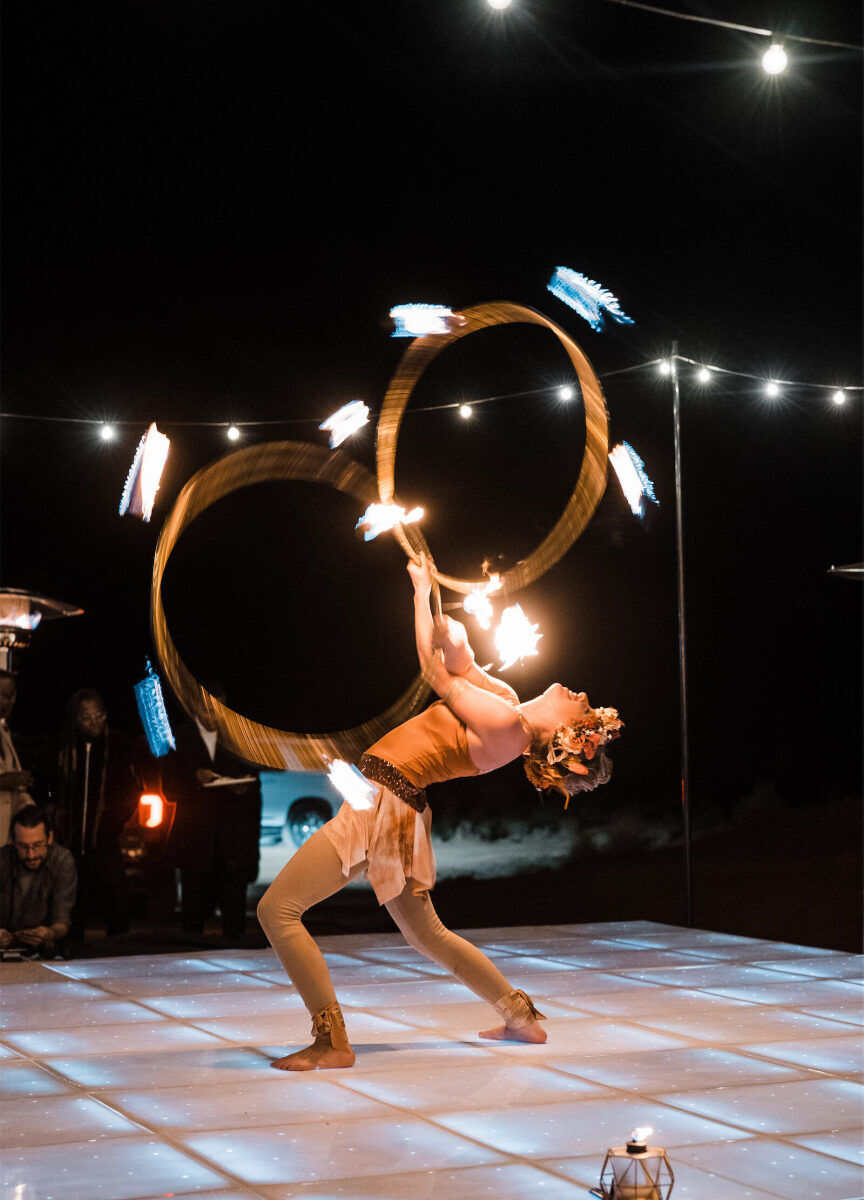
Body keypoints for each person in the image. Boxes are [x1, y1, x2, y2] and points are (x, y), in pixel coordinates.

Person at [257, 554, 622, 1071]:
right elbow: (456, 663)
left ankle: (332, 1040)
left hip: (382, 805)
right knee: (426, 933)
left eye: (584, 709)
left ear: (565, 738)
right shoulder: (507, 704)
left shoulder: (504, 724)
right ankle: (521, 1018)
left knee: (277, 911)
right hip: (395, 806)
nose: (581, 694)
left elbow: (432, 671)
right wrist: (441, 616)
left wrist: (418, 597)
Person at [163, 690, 261, 942]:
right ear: (194, 706)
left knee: (234, 920)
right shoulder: (179, 738)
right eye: (208, 709)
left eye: (219, 710)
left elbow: (254, 792)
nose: (214, 716)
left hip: (233, 842)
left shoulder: (238, 739)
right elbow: (168, 790)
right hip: (195, 841)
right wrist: (194, 778)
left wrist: (243, 788)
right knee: (192, 917)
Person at [53, 689, 144, 941]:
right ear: (75, 719)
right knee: (74, 902)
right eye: (86, 716)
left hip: (105, 839)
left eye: (99, 714)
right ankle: (70, 949)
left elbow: (133, 788)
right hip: (70, 841)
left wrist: (115, 820)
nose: (94, 721)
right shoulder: (65, 746)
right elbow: (53, 788)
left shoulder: (119, 744)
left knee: (116, 900)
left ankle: (119, 953)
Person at [0, 806, 77, 957]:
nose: (31, 855)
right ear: (13, 842)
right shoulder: (2, 860)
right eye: (23, 847)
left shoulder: (62, 861)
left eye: (37, 845)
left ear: (49, 838)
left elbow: (62, 920)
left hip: (46, 950)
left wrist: (50, 933)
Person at [0, 670, 35, 845]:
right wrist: (5, 781)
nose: (12, 701)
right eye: (6, 696)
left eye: (13, 695)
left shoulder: (4, 733)